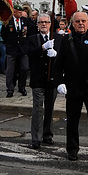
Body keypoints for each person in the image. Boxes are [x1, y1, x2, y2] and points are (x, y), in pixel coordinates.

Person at [54, 10, 88, 166]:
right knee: (72, 119)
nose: (81, 24)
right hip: (73, 86)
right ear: (73, 23)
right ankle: (72, 150)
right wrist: (60, 82)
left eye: (83, 21)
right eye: (77, 21)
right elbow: (58, 64)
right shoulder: (66, 40)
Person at [27, 13, 62, 149]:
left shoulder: (57, 38)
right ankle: (36, 138)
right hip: (38, 79)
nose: (43, 24)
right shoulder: (32, 38)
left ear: (50, 24)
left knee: (50, 109)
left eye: (46, 22)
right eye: (41, 22)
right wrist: (42, 48)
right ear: (37, 25)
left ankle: (47, 135)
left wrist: (56, 54)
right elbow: (29, 53)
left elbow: (62, 56)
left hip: (52, 79)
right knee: (37, 109)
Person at [2, 4, 31, 97]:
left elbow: (29, 33)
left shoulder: (25, 21)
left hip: (23, 49)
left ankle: (21, 86)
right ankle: (10, 89)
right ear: (14, 12)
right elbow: (3, 34)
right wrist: (9, 43)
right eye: (19, 12)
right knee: (10, 70)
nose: (21, 13)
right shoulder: (8, 21)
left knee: (25, 68)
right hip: (12, 49)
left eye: (21, 12)